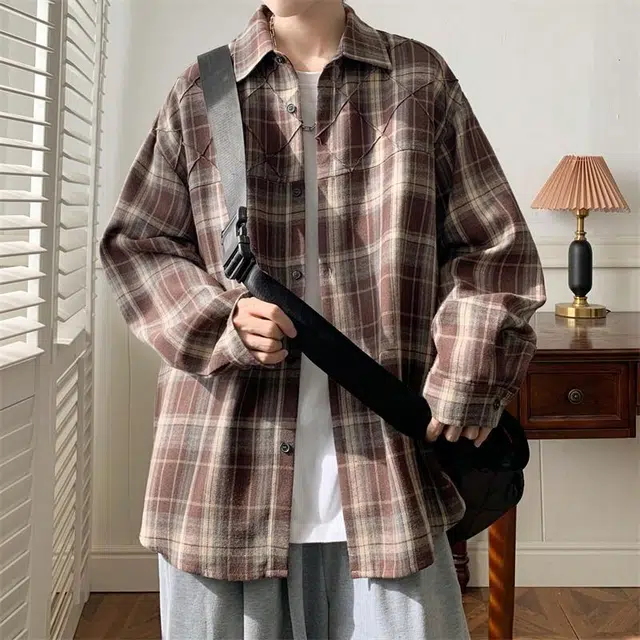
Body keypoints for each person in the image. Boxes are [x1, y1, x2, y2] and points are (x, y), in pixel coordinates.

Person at [99, 1, 546, 638]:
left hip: (386, 466)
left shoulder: (418, 80)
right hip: (225, 463)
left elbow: (494, 249)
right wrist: (223, 321)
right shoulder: (203, 90)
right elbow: (138, 244)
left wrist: (466, 375)